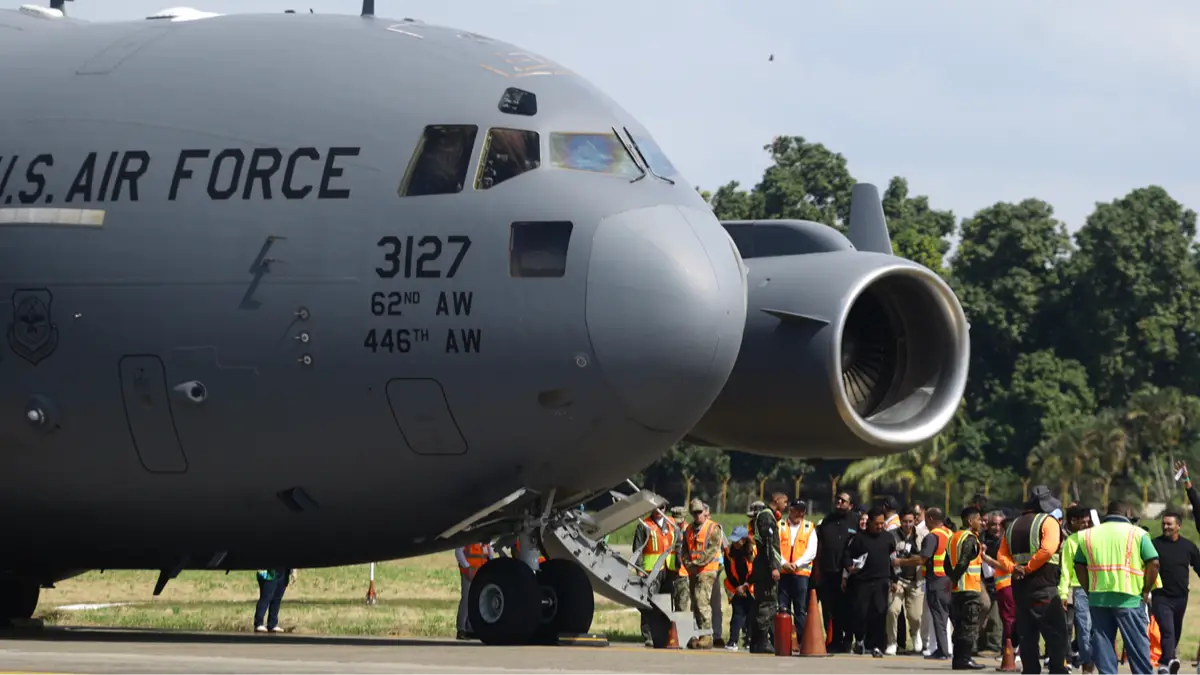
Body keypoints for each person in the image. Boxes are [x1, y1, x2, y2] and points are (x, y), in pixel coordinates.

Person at [1074, 501, 1161, 675]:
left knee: (1104, 649)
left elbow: (1079, 566)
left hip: (1098, 599)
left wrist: (1088, 590)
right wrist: (1145, 590)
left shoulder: (1088, 535)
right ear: (1128, 512)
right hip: (1129, 599)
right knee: (1138, 649)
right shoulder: (1138, 534)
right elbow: (1154, 562)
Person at [997, 484, 1070, 675]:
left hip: (1020, 590)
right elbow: (1048, 549)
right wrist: (1029, 568)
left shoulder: (1012, 525)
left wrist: (1015, 568)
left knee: (1027, 636)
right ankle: (1057, 671)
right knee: (1056, 635)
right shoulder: (1049, 522)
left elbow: (1001, 555)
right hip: (1044, 587)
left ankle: (1030, 671)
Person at [895, 506, 953, 660]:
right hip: (949, 580)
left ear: (931, 519)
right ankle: (948, 648)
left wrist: (901, 561)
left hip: (936, 580)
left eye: (926, 519)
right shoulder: (949, 533)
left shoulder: (932, 536)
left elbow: (922, 559)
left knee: (938, 617)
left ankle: (942, 651)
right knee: (947, 617)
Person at [1151, 508, 1200, 675]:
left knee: (1175, 631)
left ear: (1178, 526)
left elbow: (1199, 567)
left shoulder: (1188, 546)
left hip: (1181, 597)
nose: (1165, 527)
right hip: (1160, 596)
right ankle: (1165, 664)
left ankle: (1169, 661)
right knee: (1168, 630)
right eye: (1164, 524)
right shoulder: (1154, 544)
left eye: (1169, 524)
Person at [843, 506, 895, 658]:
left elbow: (893, 560)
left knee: (879, 613)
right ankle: (859, 640)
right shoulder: (859, 539)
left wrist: (895, 579)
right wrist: (849, 566)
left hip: (882, 580)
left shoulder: (888, 538)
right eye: (876, 523)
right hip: (862, 581)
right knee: (861, 613)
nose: (880, 526)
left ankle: (876, 646)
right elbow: (847, 555)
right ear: (869, 523)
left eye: (882, 523)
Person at [946, 506, 987, 670]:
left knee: (960, 626)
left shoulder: (954, 537)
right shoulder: (970, 539)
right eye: (978, 519)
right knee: (969, 626)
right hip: (969, 588)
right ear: (970, 521)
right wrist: (957, 576)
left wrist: (952, 578)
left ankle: (958, 659)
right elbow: (963, 561)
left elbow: (945, 563)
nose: (981, 523)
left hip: (957, 590)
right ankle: (965, 659)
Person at [816, 490, 858, 653]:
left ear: (851, 505)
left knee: (847, 608)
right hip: (829, 571)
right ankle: (834, 639)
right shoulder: (827, 520)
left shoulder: (855, 521)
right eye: (838, 499)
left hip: (847, 574)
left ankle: (848, 640)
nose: (839, 502)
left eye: (843, 500)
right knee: (829, 609)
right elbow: (820, 546)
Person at [631, 506, 676, 647]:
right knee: (649, 602)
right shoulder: (644, 525)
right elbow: (637, 548)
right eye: (655, 508)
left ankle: (664, 633)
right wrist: (639, 569)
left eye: (661, 507)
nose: (658, 510)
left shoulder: (671, 523)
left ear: (665, 508)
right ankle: (648, 634)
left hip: (669, 569)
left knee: (667, 603)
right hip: (651, 570)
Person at [682, 498, 723, 649]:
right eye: (694, 513)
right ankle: (698, 633)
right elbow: (685, 550)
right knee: (694, 603)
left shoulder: (713, 528)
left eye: (700, 512)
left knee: (702, 601)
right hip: (693, 571)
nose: (697, 515)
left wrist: (697, 563)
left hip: (707, 570)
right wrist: (688, 564)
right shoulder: (689, 530)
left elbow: (712, 550)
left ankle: (707, 636)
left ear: (705, 513)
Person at [749, 492, 786, 653]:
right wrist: (774, 567)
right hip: (766, 567)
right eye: (784, 502)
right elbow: (769, 544)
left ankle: (757, 642)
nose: (786, 505)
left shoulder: (768, 516)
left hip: (764, 565)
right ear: (776, 500)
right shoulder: (767, 517)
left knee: (763, 603)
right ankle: (762, 641)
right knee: (767, 603)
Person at [1059, 505, 1094, 674]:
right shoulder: (1070, 542)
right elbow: (1065, 569)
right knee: (1080, 629)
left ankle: (1084, 658)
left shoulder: (1094, 538)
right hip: (1077, 589)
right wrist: (1063, 593)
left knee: (1092, 630)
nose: (1087, 525)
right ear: (1073, 521)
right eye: (1084, 522)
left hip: (1097, 590)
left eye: (1089, 522)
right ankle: (1084, 663)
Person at [778, 498, 817, 645]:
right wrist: (784, 563)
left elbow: (811, 551)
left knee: (800, 609)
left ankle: (802, 642)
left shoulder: (809, 527)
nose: (800, 513)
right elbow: (775, 548)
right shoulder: (780, 525)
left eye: (803, 510)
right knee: (783, 608)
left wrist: (796, 564)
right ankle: (783, 642)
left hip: (801, 574)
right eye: (797, 510)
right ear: (790, 510)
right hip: (783, 573)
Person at [886, 507, 924, 655]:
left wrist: (902, 561)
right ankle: (892, 642)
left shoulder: (921, 536)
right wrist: (892, 580)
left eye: (910, 521)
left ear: (915, 520)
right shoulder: (891, 536)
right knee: (892, 610)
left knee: (915, 615)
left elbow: (921, 559)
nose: (908, 525)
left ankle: (915, 635)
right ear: (900, 521)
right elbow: (889, 559)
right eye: (904, 521)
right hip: (897, 580)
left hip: (916, 581)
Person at [723, 525, 756, 652]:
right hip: (736, 587)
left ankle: (749, 641)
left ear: (744, 540)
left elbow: (755, 571)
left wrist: (746, 586)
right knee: (737, 614)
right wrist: (738, 588)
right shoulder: (728, 552)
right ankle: (733, 641)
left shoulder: (753, 551)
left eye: (737, 540)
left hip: (751, 587)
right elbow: (729, 572)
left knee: (752, 615)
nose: (735, 543)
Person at [978, 510, 1006, 654]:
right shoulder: (980, 539)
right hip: (980, 580)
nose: (997, 527)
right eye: (993, 524)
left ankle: (992, 645)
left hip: (1001, 581)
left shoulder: (1007, 541)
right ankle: (977, 643)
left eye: (1000, 524)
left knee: (996, 616)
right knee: (983, 606)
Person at [455, 542, 492, 640]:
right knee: (466, 599)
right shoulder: (468, 539)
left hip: (481, 573)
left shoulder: (485, 541)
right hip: (469, 573)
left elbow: (489, 554)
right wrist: (467, 567)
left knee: (477, 600)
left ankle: (471, 629)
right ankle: (461, 629)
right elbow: (458, 551)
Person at [254, 567, 296, 633]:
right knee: (266, 596)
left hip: (284, 571)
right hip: (269, 571)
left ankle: (272, 624)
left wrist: (293, 570)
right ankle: (259, 623)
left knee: (277, 598)